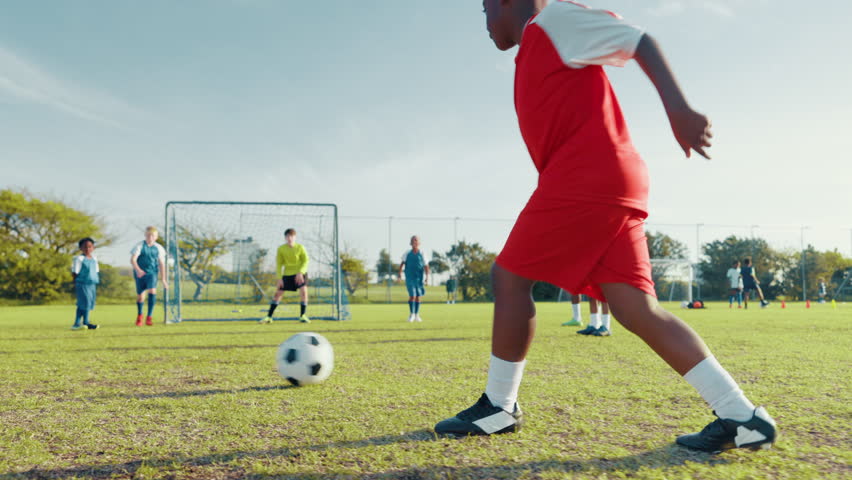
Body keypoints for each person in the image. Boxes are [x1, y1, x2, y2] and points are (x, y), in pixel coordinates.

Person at [434, 0, 776, 453]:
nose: (484, 22)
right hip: (608, 180)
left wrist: (679, 109)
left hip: (588, 178)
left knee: (509, 277)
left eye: (483, 9)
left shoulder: (551, 21)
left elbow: (640, 41)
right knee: (634, 308)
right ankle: (742, 416)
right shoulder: (537, 44)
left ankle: (499, 406)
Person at [260, 228, 310, 324]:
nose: (289, 238)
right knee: (278, 294)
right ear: (285, 238)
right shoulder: (281, 249)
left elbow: (305, 261)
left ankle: (303, 316)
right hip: (287, 274)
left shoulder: (300, 247)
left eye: (291, 236)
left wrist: (300, 272)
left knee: (304, 292)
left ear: (295, 237)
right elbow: (279, 264)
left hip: (300, 274)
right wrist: (279, 278)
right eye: (287, 236)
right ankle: (269, 317)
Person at [130, 226, 168, 326]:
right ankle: (140, 316)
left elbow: (162, 264)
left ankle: (149, 317)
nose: (150, 237)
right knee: (141, 297)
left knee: (152, 290)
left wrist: (163, 279)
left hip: (152, 273)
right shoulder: (139, 246)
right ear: (145, 235)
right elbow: (133, 260)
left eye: (152, 235)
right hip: (140, 273)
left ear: (156, 237)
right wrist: (138, 270)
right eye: (148, 235)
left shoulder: (159, 248)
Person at [399, 235, 430, 322]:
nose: (414, 242)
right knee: (412, 295)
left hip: (419, 278)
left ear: (419, 243)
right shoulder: (407, 253)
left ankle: (417, 315)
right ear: (410, 243)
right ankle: (411, 314)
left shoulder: (422, 253)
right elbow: (402, 264)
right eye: (413, 240)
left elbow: (426, 266)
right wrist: (399, 275)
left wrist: (427, 278)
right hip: (409, 278)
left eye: (416, 240)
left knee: (418, 296)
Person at [71, 237, 100, 331]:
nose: (87, 249)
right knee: (85, 302)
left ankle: (76, 323)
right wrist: (75, 283)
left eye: (90, 247)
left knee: (86, 303)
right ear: (81, 248)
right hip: (82, 283)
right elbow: (75, 272)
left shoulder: (94, 259)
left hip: (92, 283)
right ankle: (86, 322)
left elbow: (96, 271)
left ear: (93, 248)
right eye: (85, 247)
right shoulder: (79, 259)